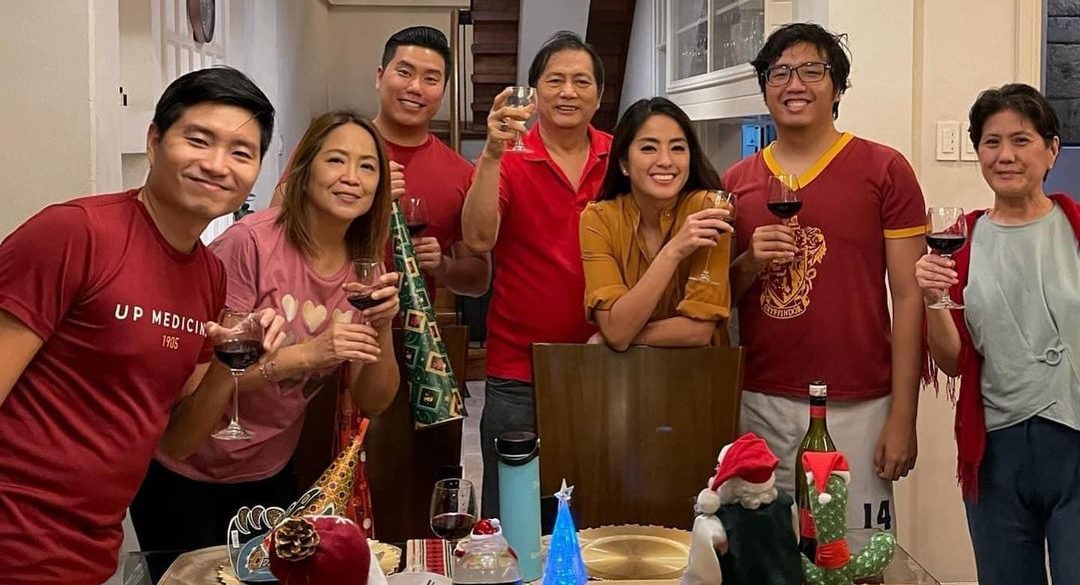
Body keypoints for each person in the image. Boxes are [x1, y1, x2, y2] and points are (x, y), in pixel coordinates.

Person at [0, 67, 286, 585]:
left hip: (90, 548)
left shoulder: (209, 274)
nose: (216, 164)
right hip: (15, 539)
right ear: (155, 142)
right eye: (198, 140)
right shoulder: (75, 232)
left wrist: (229, 368)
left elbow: (178, 441)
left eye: (241, 152)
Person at [131, 110, 401, 576]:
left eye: (367, 166)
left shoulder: (365, 266)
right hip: (184, 470)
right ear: (304, 170)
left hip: (269, 472)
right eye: (336, 160)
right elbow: (197, 379)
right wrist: (305, 355)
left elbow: (374, 400)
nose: (351, 177)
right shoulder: (251, 245)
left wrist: (382, 326)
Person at [722, 23, 926, 549]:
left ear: (837, 87)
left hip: (859, 401)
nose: (795, 84)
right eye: (780, 73)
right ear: (765, 87)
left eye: (813, 71)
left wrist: (903, 415)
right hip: (759, 400)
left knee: (852, 557)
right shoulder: (736, 182)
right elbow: (719, 299)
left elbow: (909, 297)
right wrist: (750, 260)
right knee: (764, 557)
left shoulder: (885, 169)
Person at [916, 83, 1079, 585]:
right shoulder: (961, 240)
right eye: (991, 142)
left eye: (1021, 140)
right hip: (996, 450)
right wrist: (933, 300)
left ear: (1051, 150)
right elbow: (951, 362)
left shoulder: (1076, 228)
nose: (1005, 155)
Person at [461, 31, 610, 517]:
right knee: (514, 515)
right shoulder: (507, 156)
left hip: (605, 362)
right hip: (517, 371)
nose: (568, 91)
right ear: (534, 91)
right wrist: (491, 153)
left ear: (599, 95)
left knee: (594, 513)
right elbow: (478, 238)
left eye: (581, 81)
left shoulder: (620, 157)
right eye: (555, 80)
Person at [271, 26, 489, 299]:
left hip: (407, 324)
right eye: (404, 72)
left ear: (443, 91)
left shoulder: (461, 173)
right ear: (379, 76)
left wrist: (443, 266)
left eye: (431, 79)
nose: (415, 87)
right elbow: (274, 229)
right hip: (316, 314)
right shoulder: (327, 144)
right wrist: (365, 197)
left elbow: (478, 279)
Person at [581, 97, 732, 351]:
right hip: (624, 374)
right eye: (649, 148)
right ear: (623, 162)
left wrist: (621, 334)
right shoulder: (598, 218)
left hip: (700, 372)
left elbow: (699, 331)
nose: (666, 161)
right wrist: (673, 252)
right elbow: (616, 330)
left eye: (678, 148)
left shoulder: (710, 210)